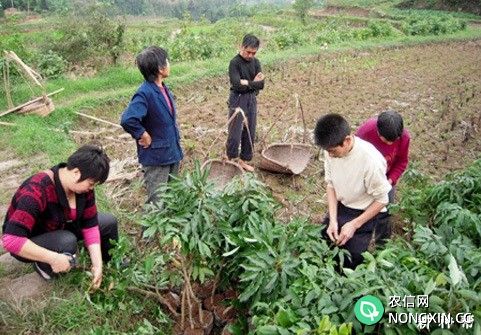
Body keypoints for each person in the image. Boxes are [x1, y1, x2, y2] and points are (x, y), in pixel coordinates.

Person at [1, 145, 118, 288]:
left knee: (108, 222)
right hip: (32, 238)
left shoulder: (83, 190)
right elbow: (11, 240)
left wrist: (97, 264)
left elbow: (90, 225)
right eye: (91, 183)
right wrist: (53, 258)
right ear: (76, 172)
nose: (91, 188)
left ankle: (109, 262)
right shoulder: (36, 190)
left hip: (60, 224)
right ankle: (42, 265)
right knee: (67, 241)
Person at [314, 114, 391, 269]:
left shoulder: (370, 161)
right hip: (342, 205)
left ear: (347, 140)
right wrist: (333, 220)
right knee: (323, 245)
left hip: (364, 212)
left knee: (352, 259)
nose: (329, 155)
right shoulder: (330, 150)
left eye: (332, 151)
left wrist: (354, 225)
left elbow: (383, 200)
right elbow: (331, 185)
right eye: (327, 151)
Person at [121, 46, 183, 205]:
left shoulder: (163, 88)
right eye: (167, 61)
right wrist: (143, 134)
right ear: (161, 68)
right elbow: (128, 119)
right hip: (157, 158)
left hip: (171, 152)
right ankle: (151, 231)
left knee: (171, 197)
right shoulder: (145, 93)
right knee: (157, 202)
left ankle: (167, 230)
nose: (169, 64)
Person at [356, 110, 410, 241]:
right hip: (364, 177)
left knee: (385, 211)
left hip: (386, 179)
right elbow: (354, 156)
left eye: (393, 141)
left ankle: (382, 243)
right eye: (385, 140)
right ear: (378, 131)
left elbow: (402, 162)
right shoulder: (365, 132)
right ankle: (359, 239)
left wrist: (390, 181)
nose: (389, 144)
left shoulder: (404, 138)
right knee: (359, 209)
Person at [226, 34, 265, 172]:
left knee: (250, 130)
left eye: (253, 53)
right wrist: (253, 82)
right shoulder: (234, 63)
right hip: (237, 98)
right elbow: (236, 85)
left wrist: (247, 82)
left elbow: (261, 85)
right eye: (248, 52)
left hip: (251, 99)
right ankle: (231, 159)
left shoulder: (256, 62)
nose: (250, 55)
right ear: (242, 47)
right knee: (235, 131)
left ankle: (243, 160)